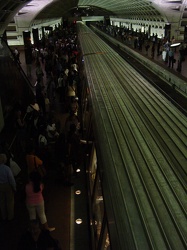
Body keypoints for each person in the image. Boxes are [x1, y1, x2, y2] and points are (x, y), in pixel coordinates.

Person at [0, 154, 16, 221]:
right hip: (7, 185)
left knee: (2, 201)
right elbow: (11, 179)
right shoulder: (7, 168)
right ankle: (10, 217)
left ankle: (4, 216)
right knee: (10, 201)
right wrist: (14, 187)